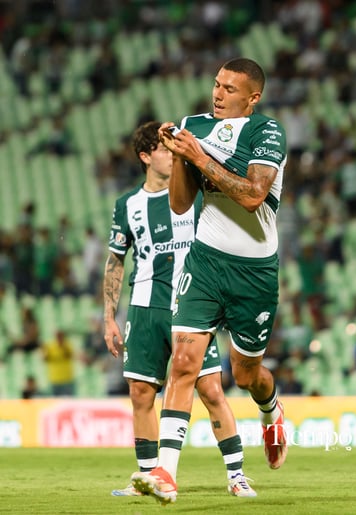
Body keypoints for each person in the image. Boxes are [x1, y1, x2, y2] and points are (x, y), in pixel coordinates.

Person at [131, 58, 288, 504]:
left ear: (252, 98)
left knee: (245, 372)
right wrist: (181, 157)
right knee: (183, 362)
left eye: (230, 89)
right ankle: (165, 473)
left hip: (255, 272)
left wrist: (197, 155)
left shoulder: (267, 132)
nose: (217, 93)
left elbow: (254, 195)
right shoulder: (193, 126)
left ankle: (270, 409)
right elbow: (181, 206)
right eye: (216, 84)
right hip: (203, 265)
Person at [103, 121, 255, 498]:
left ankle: (236, 476)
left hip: (191, 303)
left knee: (211, 390)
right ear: (145, 156)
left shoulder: (198, 195)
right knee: (140, 392)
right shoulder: (128, 205)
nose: (172, 155)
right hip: (145, 306)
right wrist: (109, 316)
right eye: (164, 149)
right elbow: (116, 262)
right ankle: (146, 477)